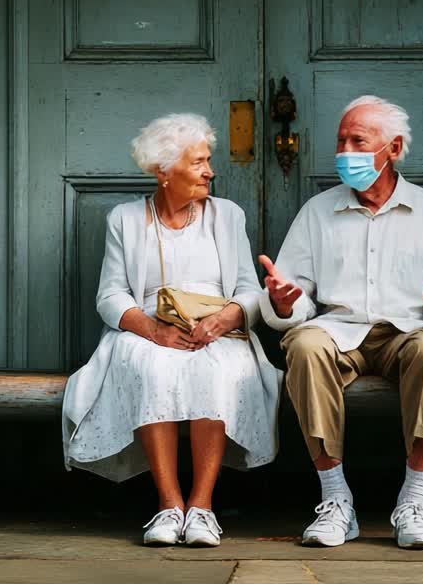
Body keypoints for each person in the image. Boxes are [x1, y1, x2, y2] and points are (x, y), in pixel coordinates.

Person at [258, 95, 423, 550]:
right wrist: (284, 305)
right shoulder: (317, 213)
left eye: (358, 141)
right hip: (339, 333)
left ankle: (413, 501)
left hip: (408, 334)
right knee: (303, 344)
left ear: (393, 149)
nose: (345, 151)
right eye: (341, 141)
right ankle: (336, 500)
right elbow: (294, 304)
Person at [62, 113, 282, 548]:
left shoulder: (226, 215)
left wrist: (225, 319)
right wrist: (151, 330)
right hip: (150, 329)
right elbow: (110, 296)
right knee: (152, 368)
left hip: (217, 328)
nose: (209, 171)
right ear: (164, 172)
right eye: (198, 162)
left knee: (214, 370)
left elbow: (248, 290)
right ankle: (168, 505)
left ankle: (201, 507)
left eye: (208, 160)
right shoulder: (126, 219)